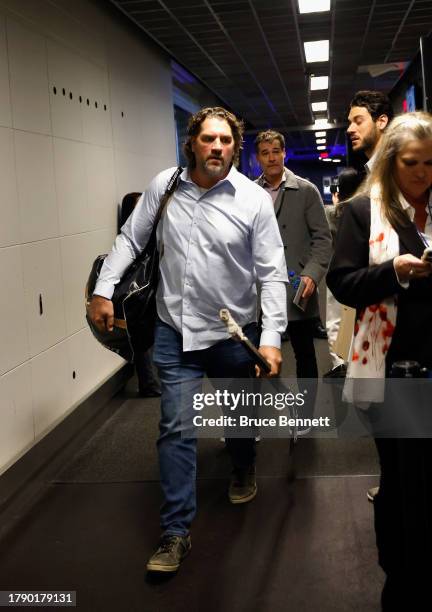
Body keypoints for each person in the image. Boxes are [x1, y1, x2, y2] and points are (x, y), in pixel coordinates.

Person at [88, 107, 288, 573]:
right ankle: (175, 531)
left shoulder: (252, 201)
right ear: (192, 143)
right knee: (176, 429)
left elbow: (273, 274)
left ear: (236, 147)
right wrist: (103, 290)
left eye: (225, 141)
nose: (216, 147)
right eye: (208, 139)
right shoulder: (166, 186)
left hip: (234, 335)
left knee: (239, 418)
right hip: (173, 332)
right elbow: (131, 239)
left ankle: (242, 461)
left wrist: (272, 338)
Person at [327, 111, 432, 610]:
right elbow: (343, 282)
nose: (423, 174)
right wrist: (395, 270)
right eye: (412, 163)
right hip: (394, 368)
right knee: (406, 481)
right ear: (391, 162)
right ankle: (404, 577)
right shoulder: (362, 212)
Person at [254, 130, 332, 419]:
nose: (272, 157)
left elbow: (323, 240)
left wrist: (311, 274)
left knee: (304, 355)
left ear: (284, 153)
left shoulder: (306, 190)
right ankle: (251, 423)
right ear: (258, 157)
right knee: (257, 354)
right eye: (265, 152)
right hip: (260, 288)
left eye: (276, 151)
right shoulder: (249, 192)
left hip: (298, 285)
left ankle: (306, 415)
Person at [118, 192, 161, 397]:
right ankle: (150, 384)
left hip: (149, 294)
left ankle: (153, 382)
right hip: (140, 297)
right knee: (143, 338)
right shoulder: (132, 242)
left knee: (151, 337)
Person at [323, 168, 362, 378]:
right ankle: (354, 361)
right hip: (359, 270)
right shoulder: (364, 208)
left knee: (335, 321)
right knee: (351, 318)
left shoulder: (332, 212)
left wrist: (336, 201)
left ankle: (340, 363)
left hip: (336, 271)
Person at [347, 90, 394, 173]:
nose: (349, 129)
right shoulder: (375, 168)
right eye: (350, 123)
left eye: (358, 121)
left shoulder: (397, 169)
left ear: (381, 122)